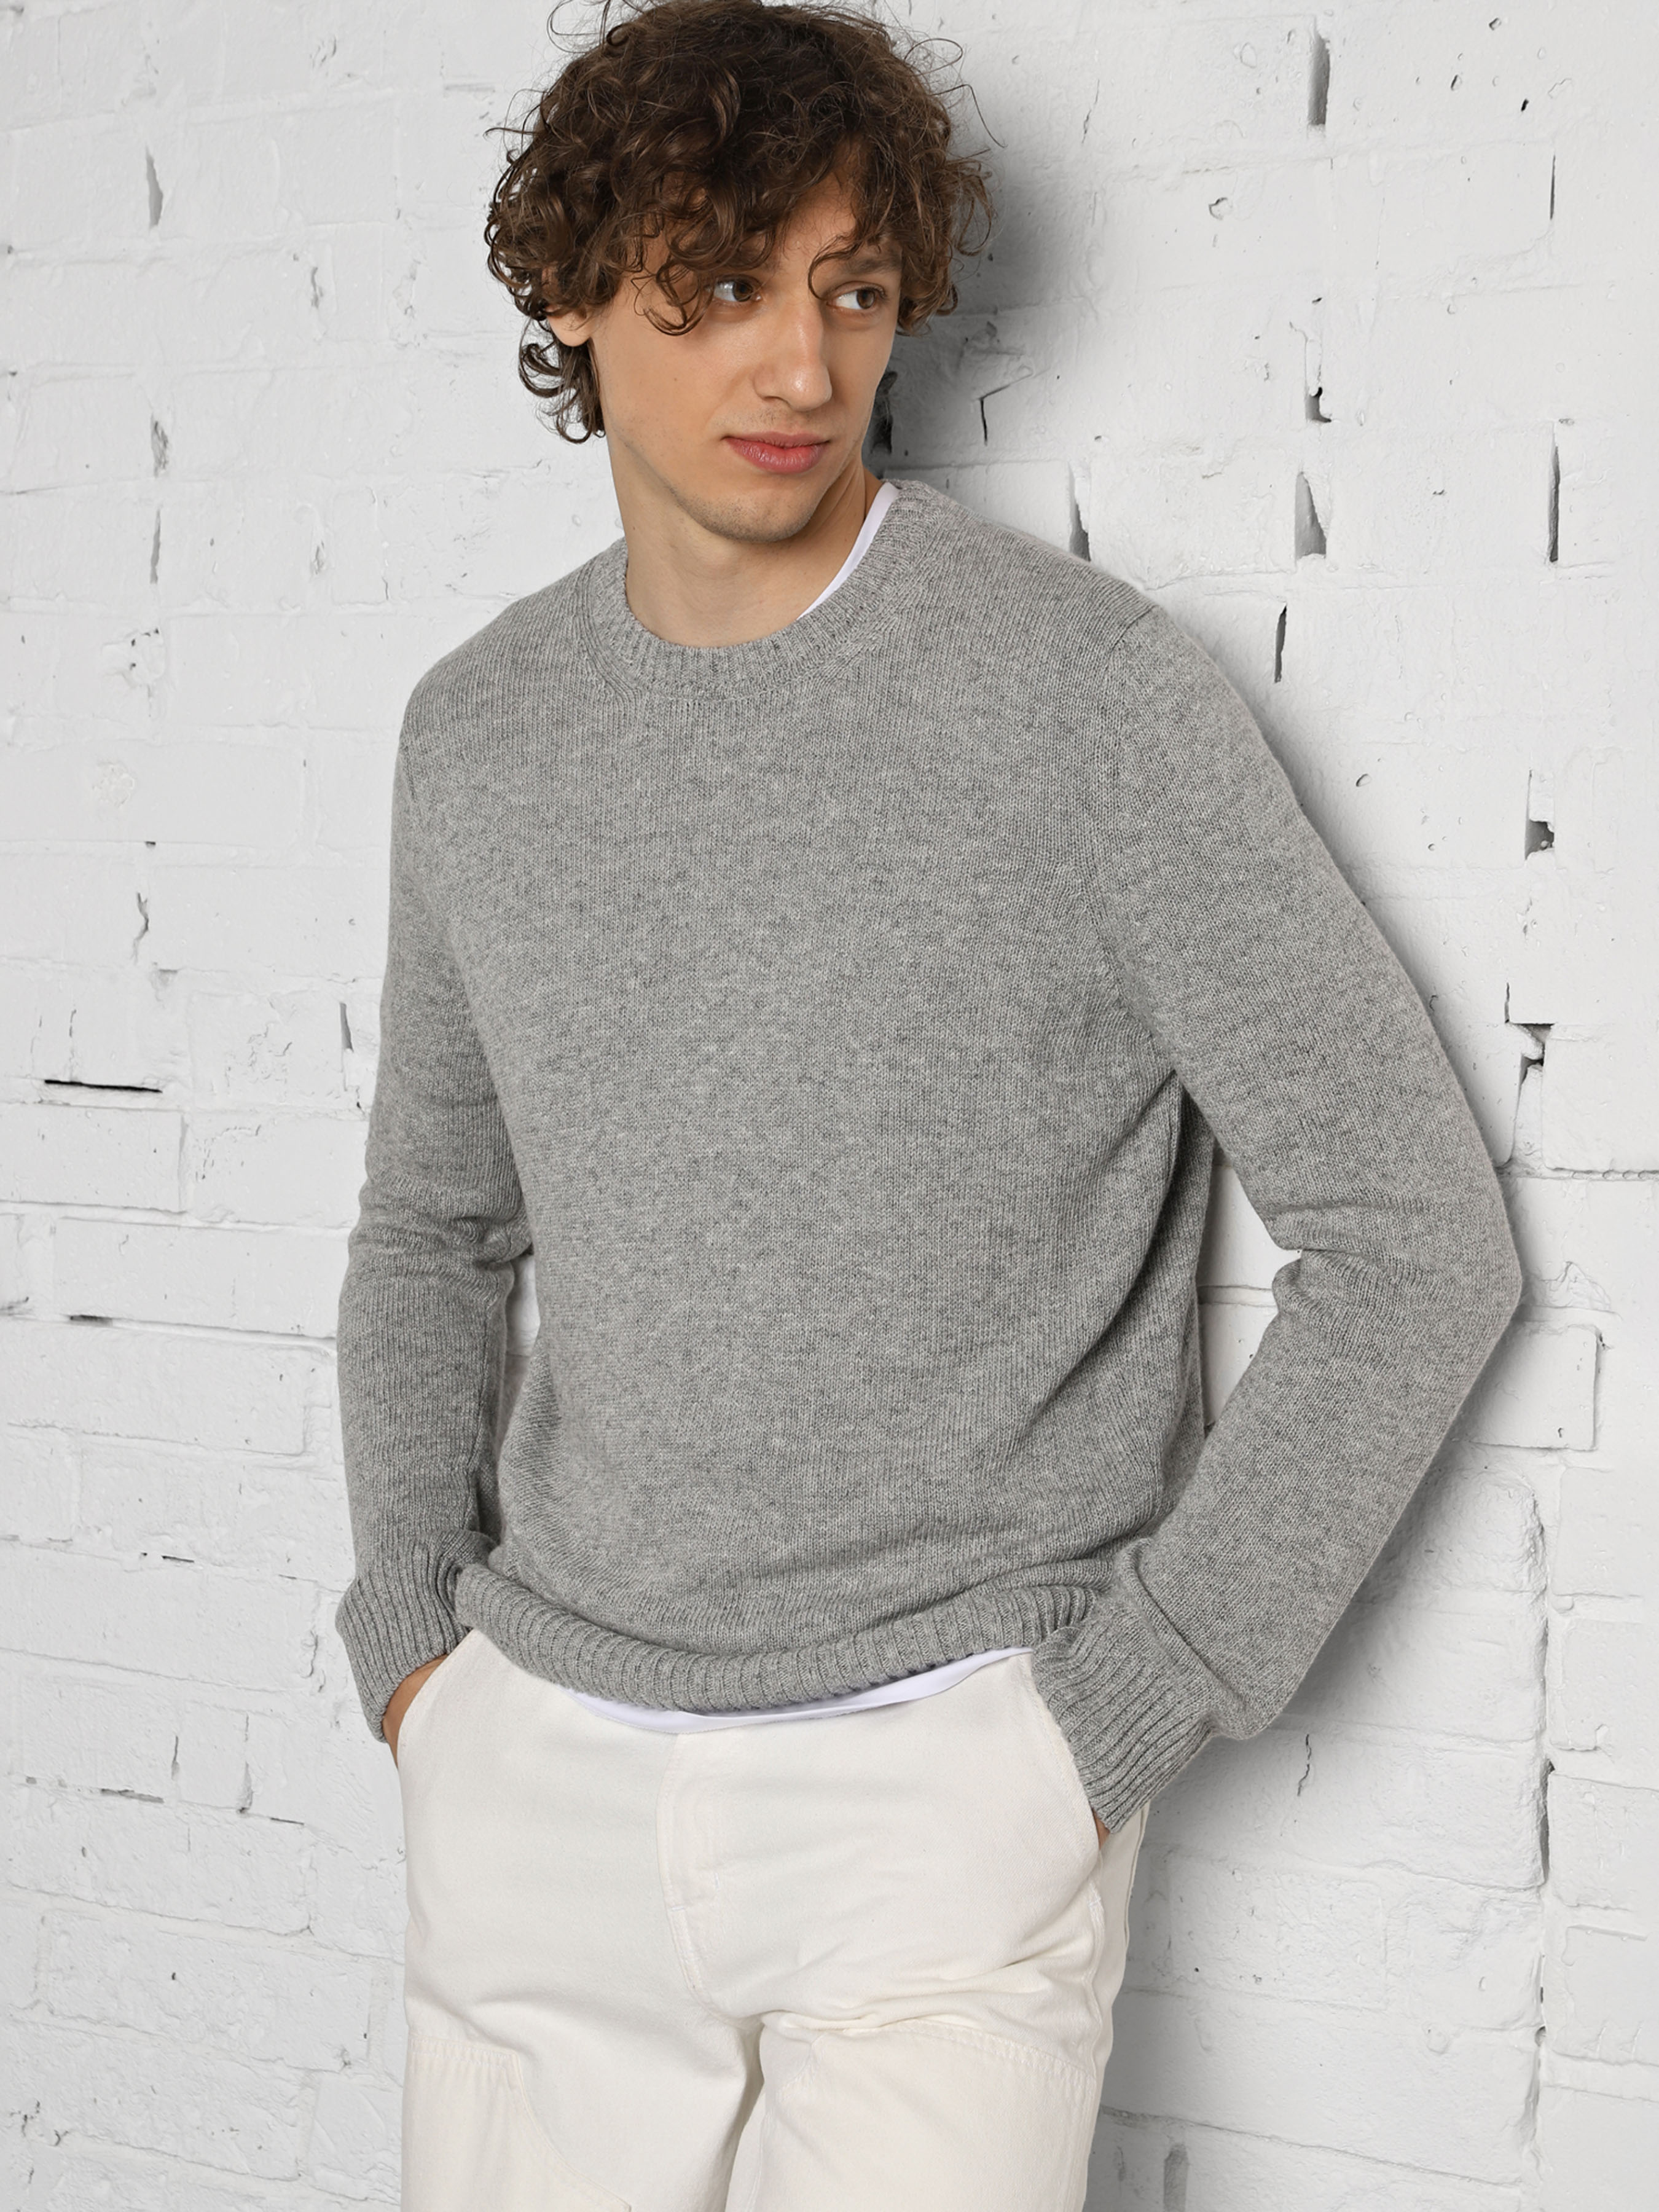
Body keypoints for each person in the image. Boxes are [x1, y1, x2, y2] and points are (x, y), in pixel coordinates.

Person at [332, 2, 1524, 2205]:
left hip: (941, 1791)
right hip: (535, 1774)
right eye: (719, 287)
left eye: (853, 289)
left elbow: (1410, 1235)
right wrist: (411, 1634)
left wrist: (1123, 1706)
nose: (801, 364)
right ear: (574, 294)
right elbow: (433, 1227)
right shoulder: (476, 733)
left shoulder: (1089, 699)